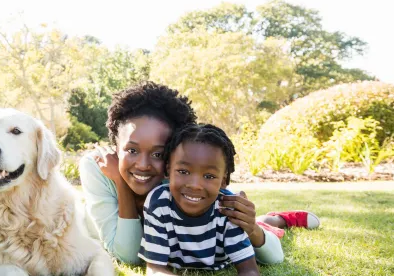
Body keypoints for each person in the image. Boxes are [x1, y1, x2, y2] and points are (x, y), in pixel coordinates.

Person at [79, 82, 318, 266]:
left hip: (198, 232)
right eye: (131, 150)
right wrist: (121, 184)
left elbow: (273, 258)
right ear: (115, 146)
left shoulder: (182, 177)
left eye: (159, 154)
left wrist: (252, 228)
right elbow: (128, 255)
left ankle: (276, 220)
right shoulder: (98, 168)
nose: (142, 165)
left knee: (242, 226)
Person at [140, 124, 259, 276]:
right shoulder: (158, 203)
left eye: (209, 176)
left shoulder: (228, 208)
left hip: (236, 245)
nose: (195, 185)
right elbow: (154, 271)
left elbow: (252, 272)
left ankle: (279, 220)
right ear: (168, 169)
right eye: (183, 171)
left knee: (267, 230)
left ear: (224, 180)